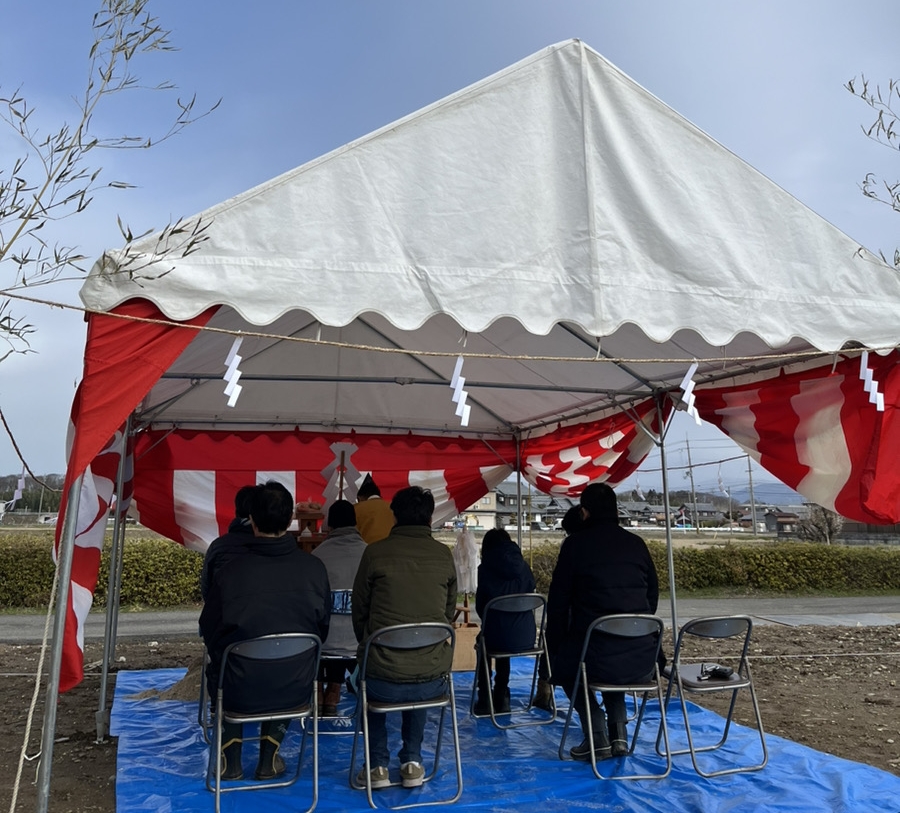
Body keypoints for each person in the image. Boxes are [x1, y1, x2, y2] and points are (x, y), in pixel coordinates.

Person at [199, 481, 331, 782]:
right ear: (290, 521)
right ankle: (269, 757)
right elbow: (322, 629)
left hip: (239, 687)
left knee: (223, 667)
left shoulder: (231, 572)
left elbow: (210, 631)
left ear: (252, 520)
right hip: (296, 686)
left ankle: (230, 761)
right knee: (281, 666)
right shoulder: (314, 568)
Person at [351, 486, 457, 790]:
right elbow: (447, 613)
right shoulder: (443, 555)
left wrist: (369, 646)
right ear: (430, 517)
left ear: (394, 516)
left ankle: (376, 767)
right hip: (432, 678)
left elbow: (360, 611)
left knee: (372, 681)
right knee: (421, 662)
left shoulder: (375, 553)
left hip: (381, 675)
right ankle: (412, 761)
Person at [546, 482, 660, 762]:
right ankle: (619, 735)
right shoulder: (636, 544)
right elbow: (652, 597)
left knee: (571, 664)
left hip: (595, 653)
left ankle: (596, 735)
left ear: (585, 513)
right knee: (611, 651)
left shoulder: (575, 546)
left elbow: (558, 605)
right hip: (642, 656)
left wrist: (555, 645)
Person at [312, 499, 367, 715]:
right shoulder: (369, 554)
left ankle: (318, 691)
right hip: (361, 645)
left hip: (321, 645)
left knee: (323, 626)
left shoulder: (317, 556)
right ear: (355, 524)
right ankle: (333, 693)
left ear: (329, 526)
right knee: (347, 628)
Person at [473, 528, 536, 715]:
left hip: (496, 635)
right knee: (504, 637)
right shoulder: (524, 566)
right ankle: (503, 694)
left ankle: (485, 698)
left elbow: (481, 608)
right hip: (527, 637)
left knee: (486, 641)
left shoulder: (484, 568)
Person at [199, 484, 258, 601]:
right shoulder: (275, 545)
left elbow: (207, 590)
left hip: (224, 615)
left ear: (236, 511)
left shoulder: (218, 546)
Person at [354, 474, 395, 544]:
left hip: (366, 550)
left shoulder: (355, 508)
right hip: (391, 548)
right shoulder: (394, 508)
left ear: (359, 498)